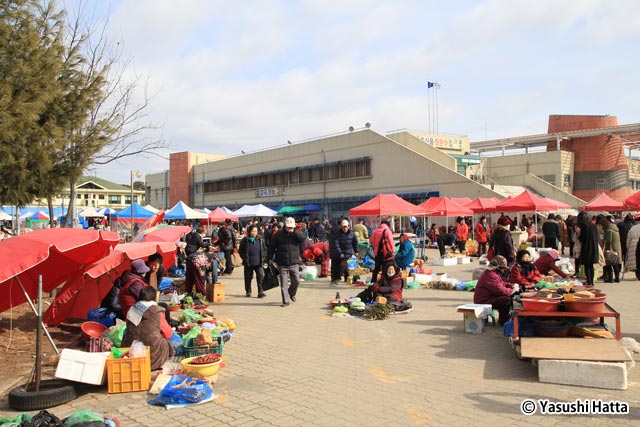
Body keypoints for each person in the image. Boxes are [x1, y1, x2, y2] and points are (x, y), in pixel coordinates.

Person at [121, 286, 175, 371]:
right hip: (153, 360)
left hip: (131, 357)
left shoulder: (131, 310)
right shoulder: (158, 312)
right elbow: (168, 334)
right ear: (155, 298)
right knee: (166, 344)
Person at [268, 217, 305, 307]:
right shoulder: (278, 234)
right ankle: (285, 301)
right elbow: (272, 246)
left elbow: (303, 239)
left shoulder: (296, 233)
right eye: (288, 227)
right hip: (282, 262)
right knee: (284, 283)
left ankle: (291, 293)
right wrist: (269, 257)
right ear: (285, 226)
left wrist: (295, 231)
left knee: (296, 281)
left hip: (294, 262)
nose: (289, 229)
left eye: (291, 227)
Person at [473, 255, 515, 325]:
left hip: (488, 298)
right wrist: (512, 291)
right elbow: (499, 290)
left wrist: (512, 286)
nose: (503, 270)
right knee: (506, 300)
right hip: (483, 300)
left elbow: (502, 283)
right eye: (502, 268)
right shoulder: (491, 275)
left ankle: (504, 319)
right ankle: (503, 320)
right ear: (498, 268)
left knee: (506, 298)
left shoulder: (494, 273)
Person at [239, 224, 267, 298]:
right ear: (249, 231)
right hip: (249, 262)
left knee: (261, 276)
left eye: (255, 231)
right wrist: (244, 258)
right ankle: (248, 291)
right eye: (252, 231)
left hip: (259, 262)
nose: (254, 233)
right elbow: (240, 250)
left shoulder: (261, 239)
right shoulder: (245, 240)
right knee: (248, 277)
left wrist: (264, 258)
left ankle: (260, 291)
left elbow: (264, 249)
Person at [330, 220, 358, 286]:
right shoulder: (337, 234)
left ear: (348, 226)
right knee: (337, 267)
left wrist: (356, 251)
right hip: (337, 253)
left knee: (343, 266)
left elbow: (355, 243)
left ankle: (341, 279)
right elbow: (336, 244)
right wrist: (340, 253)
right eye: (343, 227)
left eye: (346, 227)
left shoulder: (352, 234)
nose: (345, 228)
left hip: (347, 253)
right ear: (341, 227)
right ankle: (338, 279)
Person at [576, 212, 599, 286]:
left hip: (587, 247)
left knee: (587, 265)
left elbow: (582, 238)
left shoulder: (583, 226)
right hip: (594, 247)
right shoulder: (593, 225)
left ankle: (589, 281)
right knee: (591, 265)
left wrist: (578, 235)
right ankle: (591, 281)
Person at [184, 227, 209, 294]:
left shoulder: (195, 235)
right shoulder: (197, 236)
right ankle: (201, 292)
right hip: (191, 251)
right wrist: (208, 245)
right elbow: (202, 245)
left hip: (189, 250)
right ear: (202, 232)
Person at [600, 216, 622, 283]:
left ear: (608, 221)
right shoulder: (616, 229)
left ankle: (610, 278)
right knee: (615, 263)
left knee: (609, 263)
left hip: (610, 249)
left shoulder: (609, 230)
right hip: (617, 248)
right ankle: (617, 278)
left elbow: (608, 241)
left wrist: (603, 240)